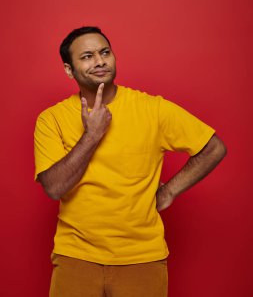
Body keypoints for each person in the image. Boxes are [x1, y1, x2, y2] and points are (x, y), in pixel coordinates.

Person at [34, 26, 227, 297]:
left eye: (105, 52)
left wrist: (170, 190)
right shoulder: (51, 119)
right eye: (87, 56)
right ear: (69, 69)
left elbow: (213, 147)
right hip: (76, 256)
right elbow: (54, 188)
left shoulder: (152, 109)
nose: (100, 61)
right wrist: (92, 135)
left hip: (142, 257)